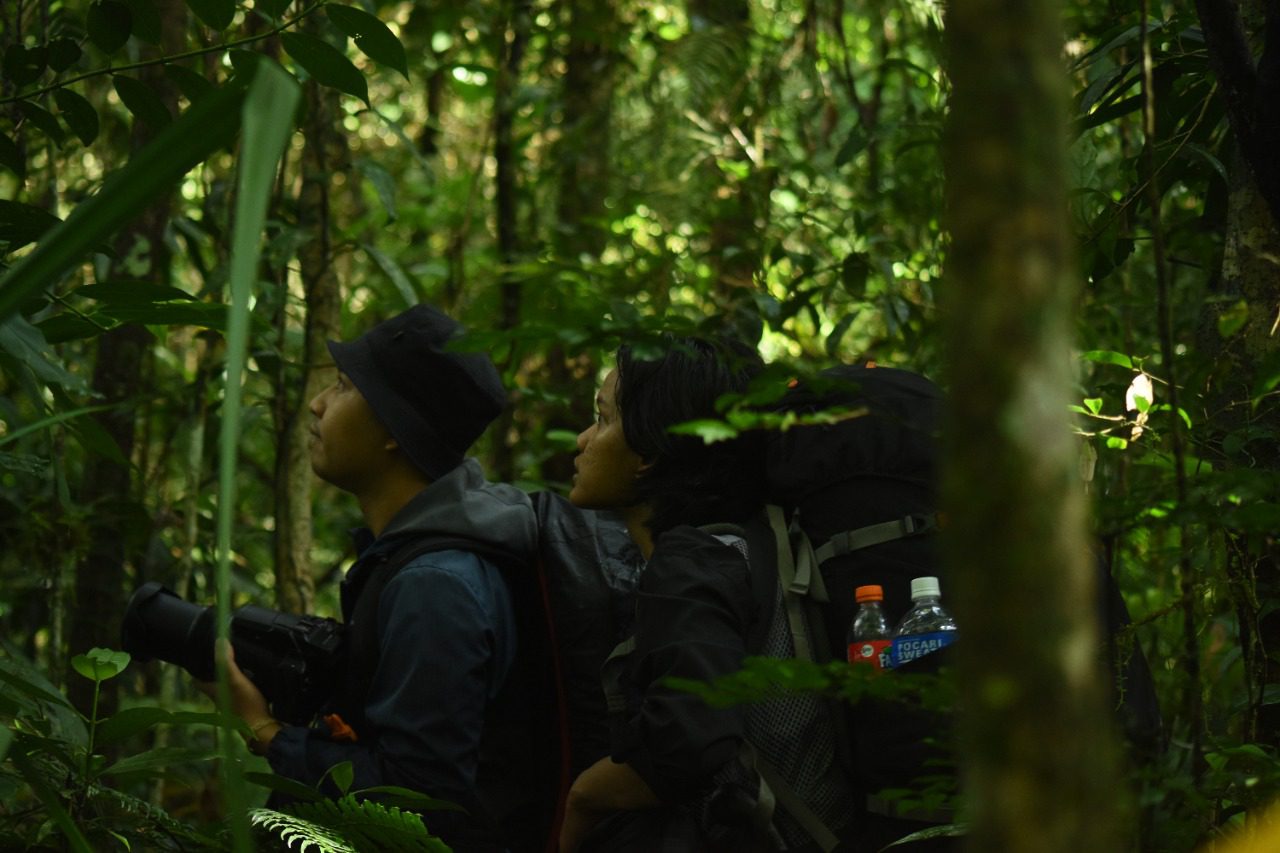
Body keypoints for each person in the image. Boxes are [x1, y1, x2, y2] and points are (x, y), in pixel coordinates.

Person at [210, 304, 544, 851]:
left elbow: (419, 800)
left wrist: (264, 731)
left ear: (393, 429)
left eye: (342, 386)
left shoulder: (436, 583)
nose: (317, 404)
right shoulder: (422, 556)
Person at [560, 336, 841, 851]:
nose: (583, 441)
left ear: (646, 453)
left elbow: (688, 741)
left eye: (603, 420)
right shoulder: (754, 545)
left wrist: (583, 797)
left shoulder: (692, 564)